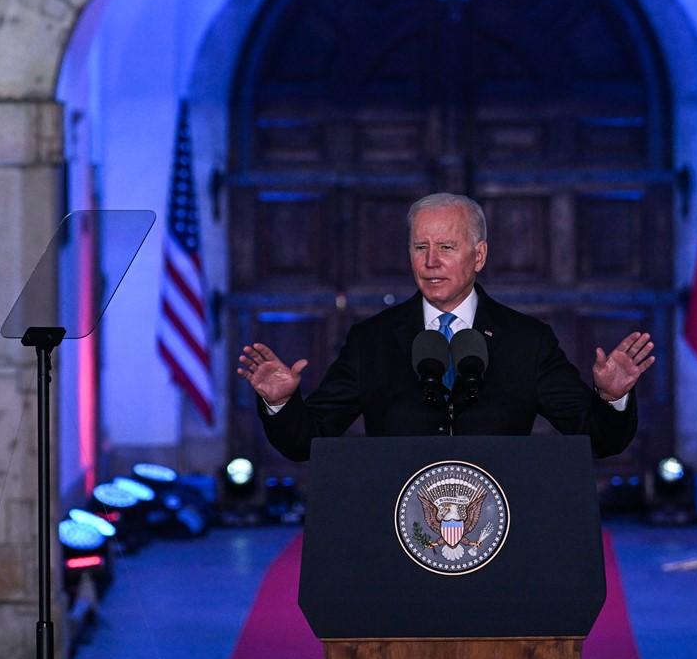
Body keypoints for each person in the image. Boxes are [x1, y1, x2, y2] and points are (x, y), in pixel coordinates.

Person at [236, 192, 654, 461]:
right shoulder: (373, 341)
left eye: (447, 248)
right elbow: (309, 439)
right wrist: (282, 405)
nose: (430, 262)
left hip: (499, 533)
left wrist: (611, 398)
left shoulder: (527, 340)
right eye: (420, 247)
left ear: (479, 255)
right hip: (399, 536)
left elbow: (596, 439)